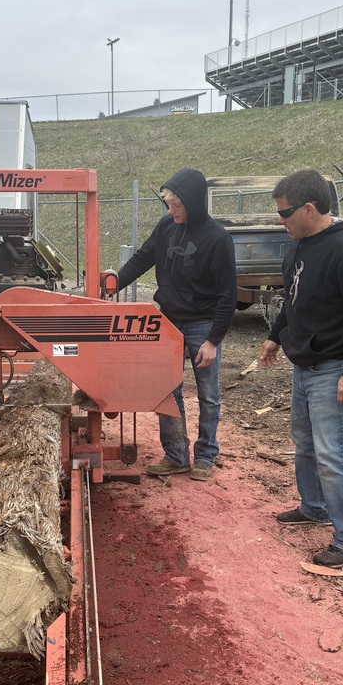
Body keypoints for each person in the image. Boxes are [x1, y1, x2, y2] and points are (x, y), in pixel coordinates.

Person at [258, 168, 343, 568]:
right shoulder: (297, 245)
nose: (281, 220)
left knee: (335, 453)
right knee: (306, 443)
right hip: (304, 365)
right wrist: (276, 336)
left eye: (285, 213)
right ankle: (314, 506)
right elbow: (291, 302)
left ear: (309, 208)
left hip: (333, 368)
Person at [113, 168, 236, 481]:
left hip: (202, 325)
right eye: (167, 204)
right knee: (167, 390)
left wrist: (213, 340)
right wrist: (114, 282)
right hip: (168, 321)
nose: (170, 210)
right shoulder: (167, 226)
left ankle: (206, 456)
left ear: (193, 203)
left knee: (208, 393)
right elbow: (143, 257)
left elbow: (228, 295)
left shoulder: (218, 239)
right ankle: (176, 455)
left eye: (176, 205)